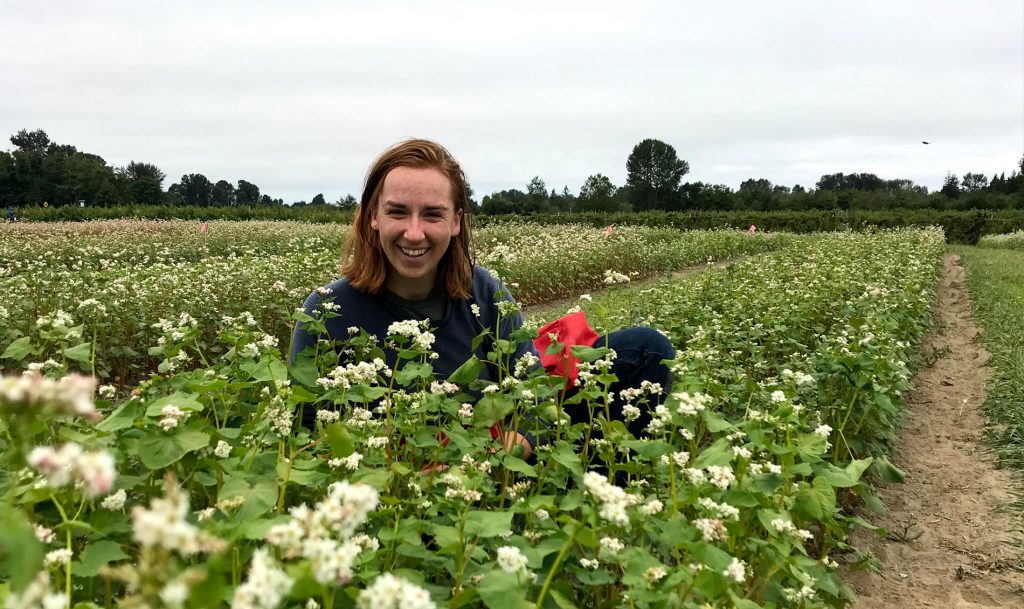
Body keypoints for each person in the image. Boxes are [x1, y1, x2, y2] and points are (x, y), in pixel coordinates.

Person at [290, 139, 674, 457]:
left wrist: (494, 459)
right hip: (396, 486)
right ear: (373, 216)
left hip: (488, 462)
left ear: (456, 221)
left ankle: (606, 494)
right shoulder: (328, 312)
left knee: (647, 349)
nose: (414, 232)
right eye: (398, 212)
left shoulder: (483, 292)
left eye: (433, 215)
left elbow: (536, 404)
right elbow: (303, 442)